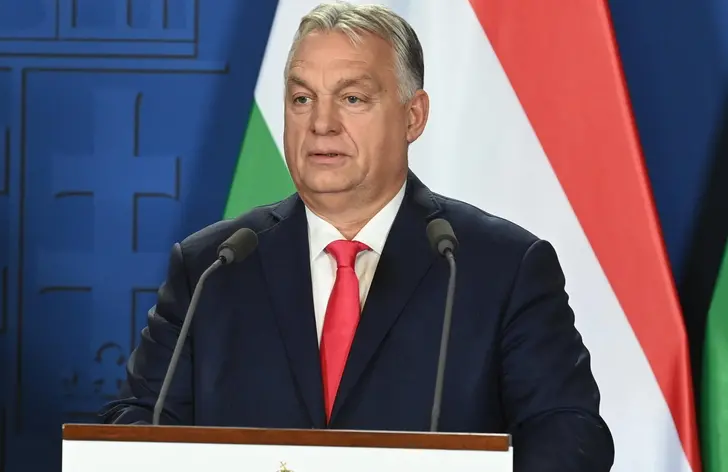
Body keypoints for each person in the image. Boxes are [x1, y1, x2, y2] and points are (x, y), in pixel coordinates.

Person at [100, 2, 614, 470]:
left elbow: (571, 436)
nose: (321, 123)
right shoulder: (212, 268)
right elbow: (137, 425)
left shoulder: (498, 266)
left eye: (352, 98)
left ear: (413, 116)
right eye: (302, 98)